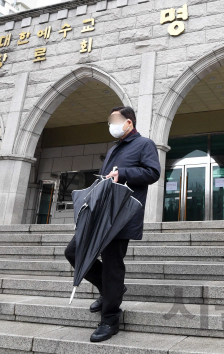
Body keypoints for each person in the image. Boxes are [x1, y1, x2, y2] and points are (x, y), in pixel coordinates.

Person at [64, 106, 161, 343]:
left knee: (112, 266)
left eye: (115, 120)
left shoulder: (144, 144)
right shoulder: (114, 149)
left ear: (129, 122)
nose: (111, 125)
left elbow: (153, 172)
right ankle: (110, 290)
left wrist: (123, 173)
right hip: (99, 213)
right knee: (74, 252)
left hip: (120, 215)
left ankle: (110, 319)